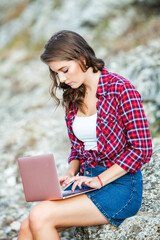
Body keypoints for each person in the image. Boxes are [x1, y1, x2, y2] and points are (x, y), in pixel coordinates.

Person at [18, 30, 152, 240]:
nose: (61, 79)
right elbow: (78, 148)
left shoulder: (121, 89)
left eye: (64, 70)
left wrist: (100, 179)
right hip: (85, 181)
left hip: (119, 186)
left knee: (40, 215)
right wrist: (71, 173)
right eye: (56, 74)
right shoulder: (74, 95)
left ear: (81, 58)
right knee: (27, 226)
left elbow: (142, 149)